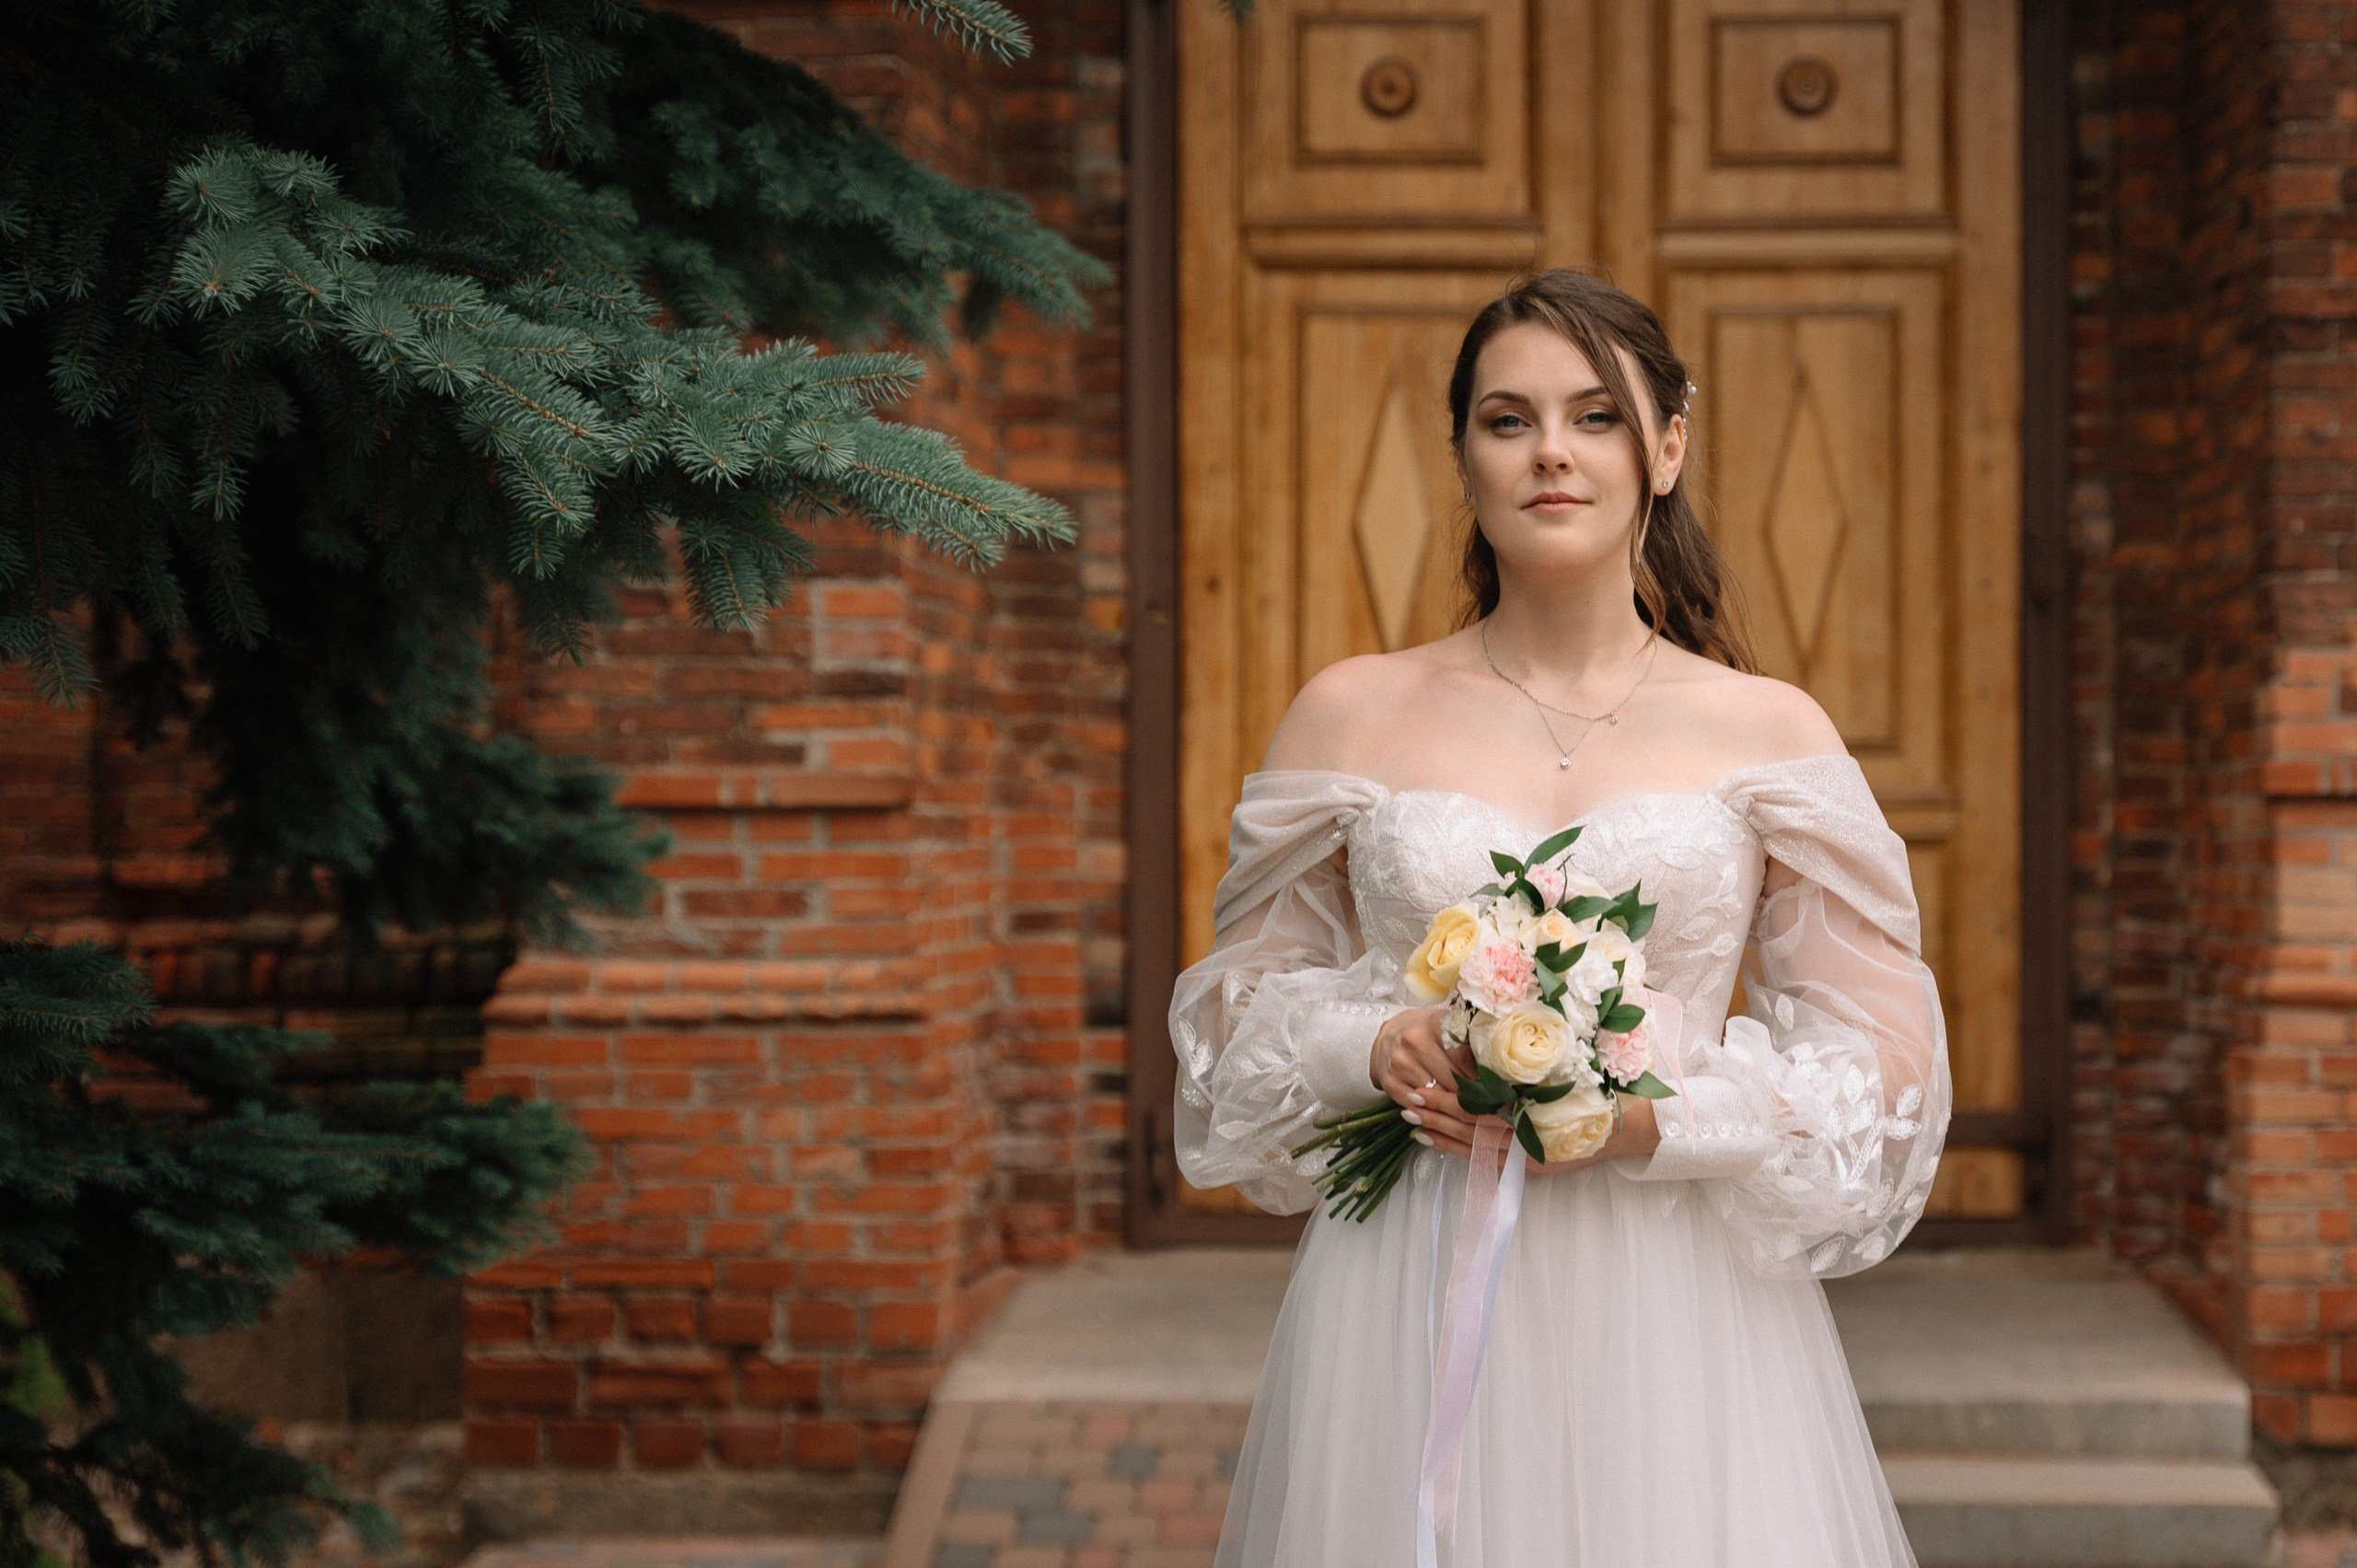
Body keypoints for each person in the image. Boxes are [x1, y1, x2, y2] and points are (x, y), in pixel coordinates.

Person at [1167, 267, 1951, 1567]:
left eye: (1595, 416)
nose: (1550, 453)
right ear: (1464, 454)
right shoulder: (1351, 712)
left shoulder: (1771, 732)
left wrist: (1650, 1121)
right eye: (1506, 418)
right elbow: (1231, 1019)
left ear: (1667, 447)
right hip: (1406, 1278)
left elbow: (1885, 1073)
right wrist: (1371, 1045)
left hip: (1676, 1294)